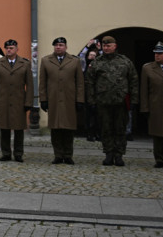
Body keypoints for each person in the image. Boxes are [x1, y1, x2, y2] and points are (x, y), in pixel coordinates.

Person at [85, 35, 138, 167]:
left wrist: (134, 100)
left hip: (121, 102)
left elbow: (133, 81)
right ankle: (108, 154)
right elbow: (90, 82)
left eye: (109, 45)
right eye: (104, 46)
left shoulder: (125, 61)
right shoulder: (97, 62)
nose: (106, 48)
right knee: (106, 129)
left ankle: (119, 155)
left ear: (115, 46)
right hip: (103, 102)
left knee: (120, 129)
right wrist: (91, 101)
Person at [38, 37, 85, 165]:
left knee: (68, 129)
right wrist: (43, 99)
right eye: (56, 45)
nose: (58, 47)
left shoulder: (75, 61)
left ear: (66, 47)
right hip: (53, 100)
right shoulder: (46, 60)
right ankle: (58, 155)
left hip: (69, 100)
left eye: (61, 45)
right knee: (55, 129)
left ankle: (68, 155)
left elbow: (80, 83)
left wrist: (80, 100)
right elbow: (42, 83)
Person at [0, 39, 32, 163]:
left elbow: (29, 85)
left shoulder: (24, 63)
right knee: (4, 128)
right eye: (7, 48)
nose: (9, 50)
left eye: (11, 48)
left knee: (19, 129)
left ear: (17, 49)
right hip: (3, 100)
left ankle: (18, 153)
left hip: (19, 100)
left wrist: (28, 102)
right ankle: (6, 153)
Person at [140, 42, 163, 168]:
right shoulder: (148, 68)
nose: (157, 56)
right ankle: (159, 159)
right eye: (156, 53)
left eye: (160, 54)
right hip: (155, 106)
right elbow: (144, 90)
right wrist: (144, 108)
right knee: (157, 134)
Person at [82, 46, 101, 141]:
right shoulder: (84, 65)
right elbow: (81, 56)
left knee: (98, 116)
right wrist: (87, 46)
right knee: (88, 116)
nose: (92, 57)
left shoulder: (99, 65)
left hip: (97, 94)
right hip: (86, 94)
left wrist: (100, 49)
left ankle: (97, 133)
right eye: (90, 55)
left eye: (94, 55)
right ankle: (89, 133)